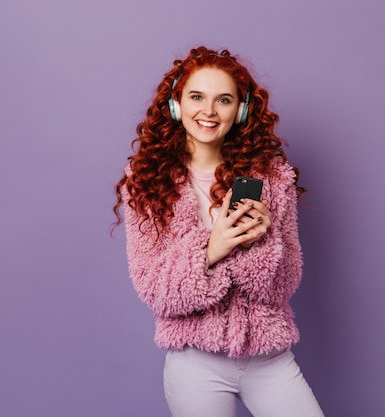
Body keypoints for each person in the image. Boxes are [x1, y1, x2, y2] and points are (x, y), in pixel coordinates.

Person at [113, 46, 324, 417]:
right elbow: (154, 289)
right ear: (177, 104)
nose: (208, 112)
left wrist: (261, 242)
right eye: (196, 97)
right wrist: (213, 247)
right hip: (195, 362)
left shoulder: (271, 179)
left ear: (240, 111)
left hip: (268, 357)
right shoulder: (146, 182)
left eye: (223, 100)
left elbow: (285, 284)